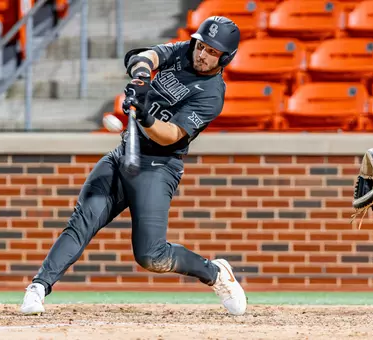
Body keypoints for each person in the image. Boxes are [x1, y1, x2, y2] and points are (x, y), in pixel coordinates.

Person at [20, 16, 246, 316]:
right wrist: (141, 78)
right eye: (201, 46)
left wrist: (144, 115)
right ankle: (38, 287)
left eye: (212, 52)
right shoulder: (184, 52)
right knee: (82, 220)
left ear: (225, 58)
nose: (202, 55)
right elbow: (148, 56)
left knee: (151, 256)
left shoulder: (212, 94)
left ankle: (215, 273)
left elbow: (170, 136)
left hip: (158, 167)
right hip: (123, 155)